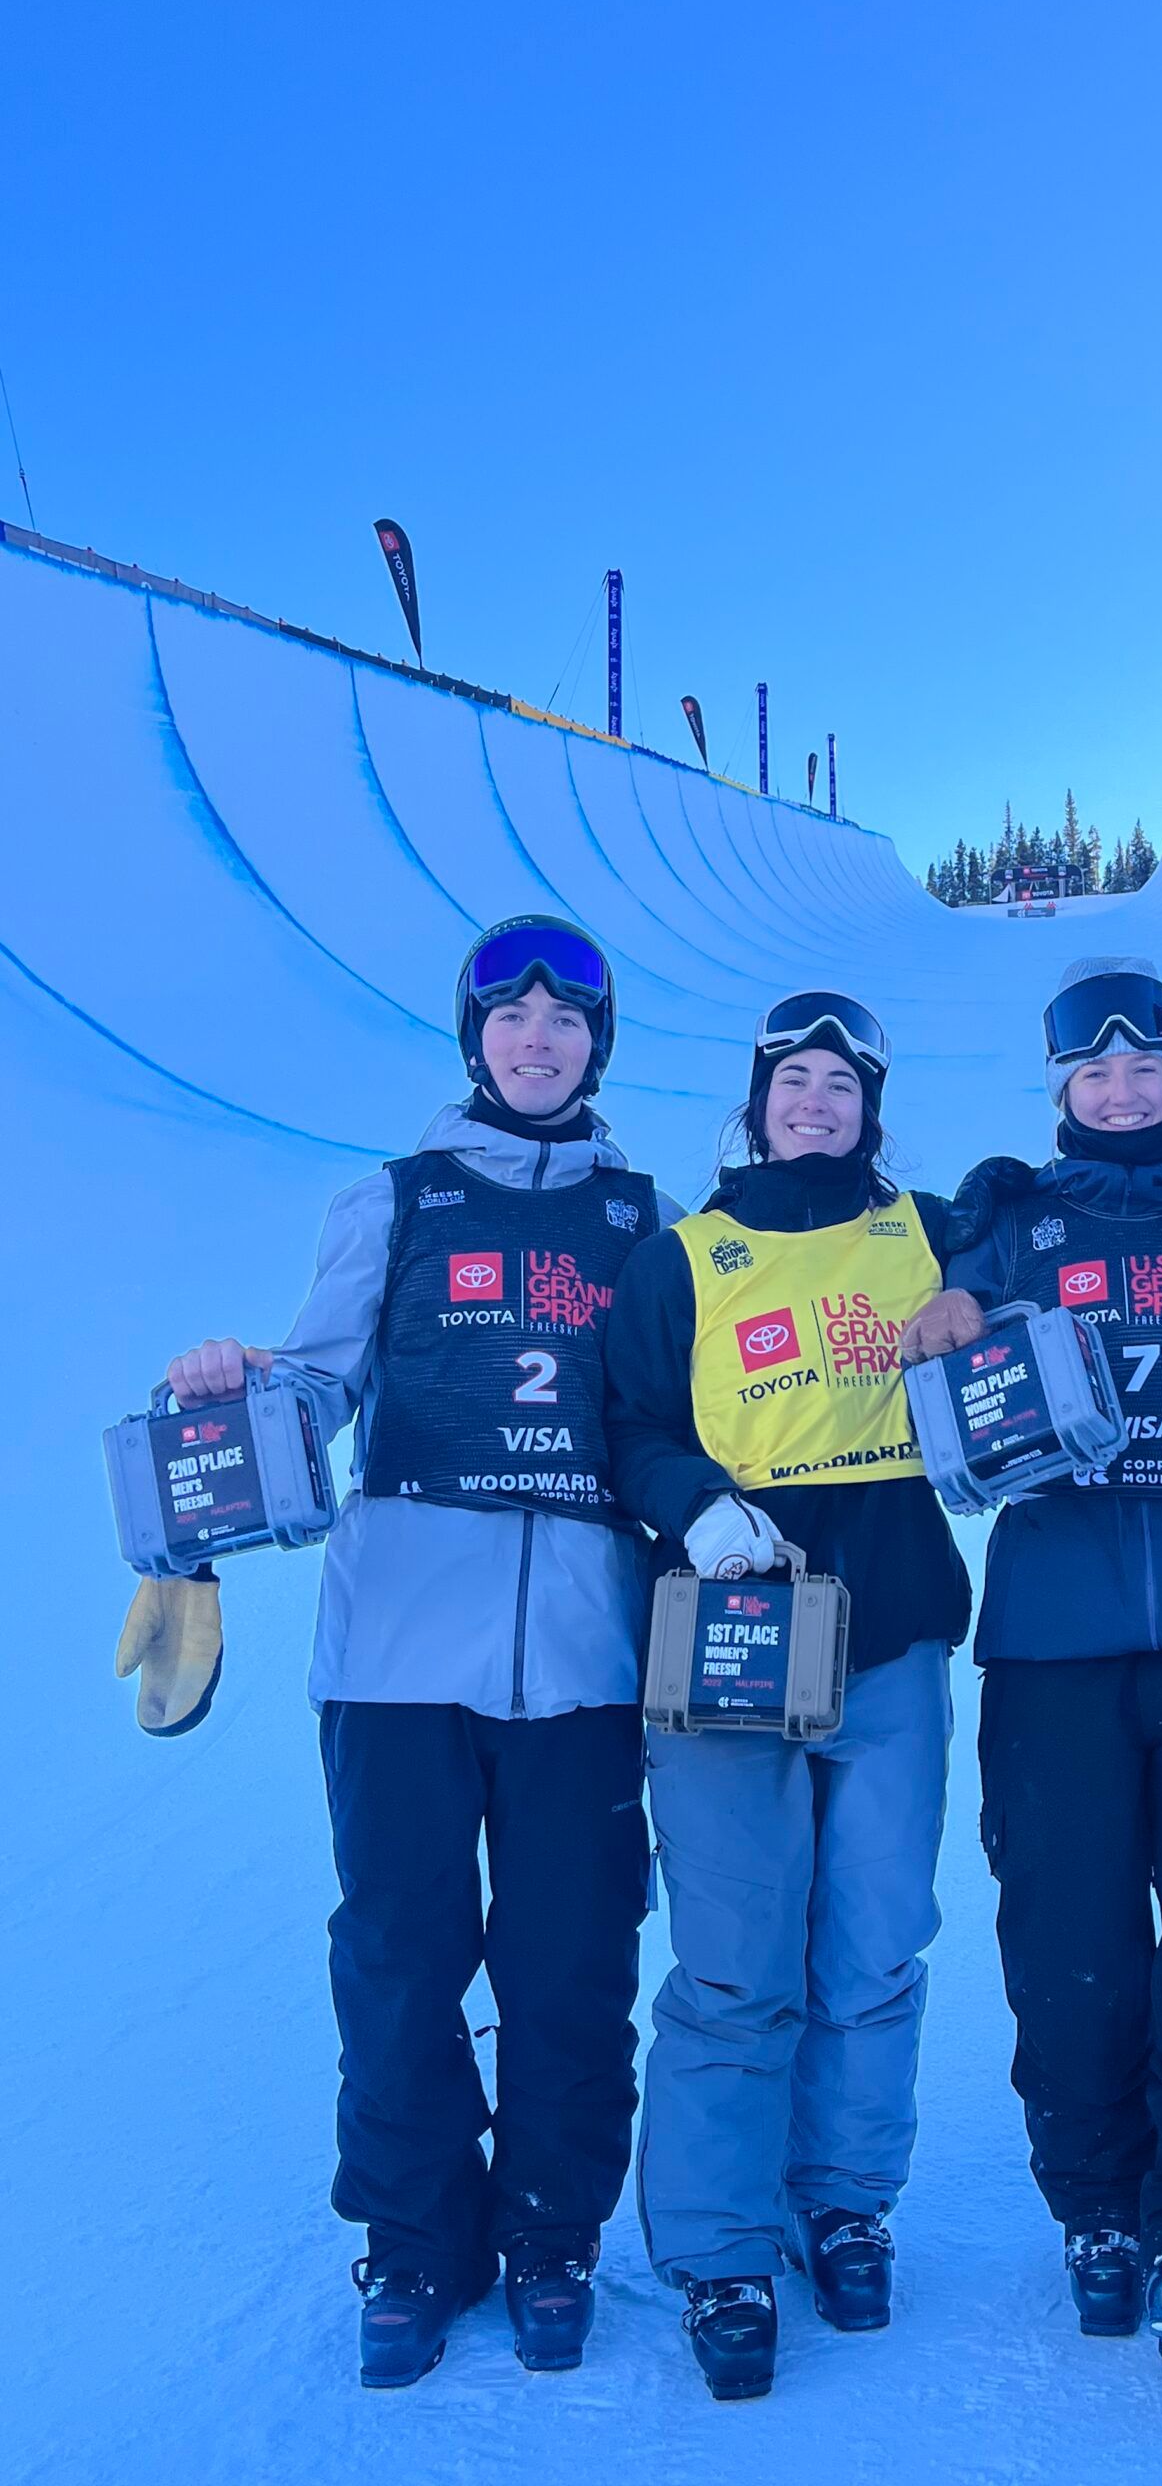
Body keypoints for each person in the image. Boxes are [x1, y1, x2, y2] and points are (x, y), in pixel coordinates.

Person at [146, 917, 675, 2389]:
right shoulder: (394, 1199)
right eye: (509, 1017)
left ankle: (552, 2229)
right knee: (399, 1954)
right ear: (473, 1038)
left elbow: (683, 1420)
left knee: (571, 1956)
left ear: (597, 1043)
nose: (537, 1038)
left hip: (581, 1652)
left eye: (567, 1019)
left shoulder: (646, 1215)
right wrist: (226, 1387)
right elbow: (314, 1385)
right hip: (393, 1654)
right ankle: (418, 2238)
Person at [903, 958, 1162, 2368]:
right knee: (1067, 1936)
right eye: (1097, 1069)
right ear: (1062, 1084)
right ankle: (1099, 2203)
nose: (1125, 1088)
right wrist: (954, 1295)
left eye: (1150, 1069)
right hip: (1058, 1623)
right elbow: (932, 1324)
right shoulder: (1008, 1219)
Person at [602, 992, 970, 2402]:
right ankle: (721, 2249)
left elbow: (1025, 1232)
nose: (814, 1102)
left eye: (840, 1084)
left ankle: (845, 2201)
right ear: (754, 1103)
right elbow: (627, 1421)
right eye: (792, 1080)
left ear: (872, 1109)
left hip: (889, 1632)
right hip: (732, 1628)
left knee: (875, 1944)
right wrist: (693, 1502)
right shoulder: (686, 1256)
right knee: (737, 1958)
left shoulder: (926, 1230)